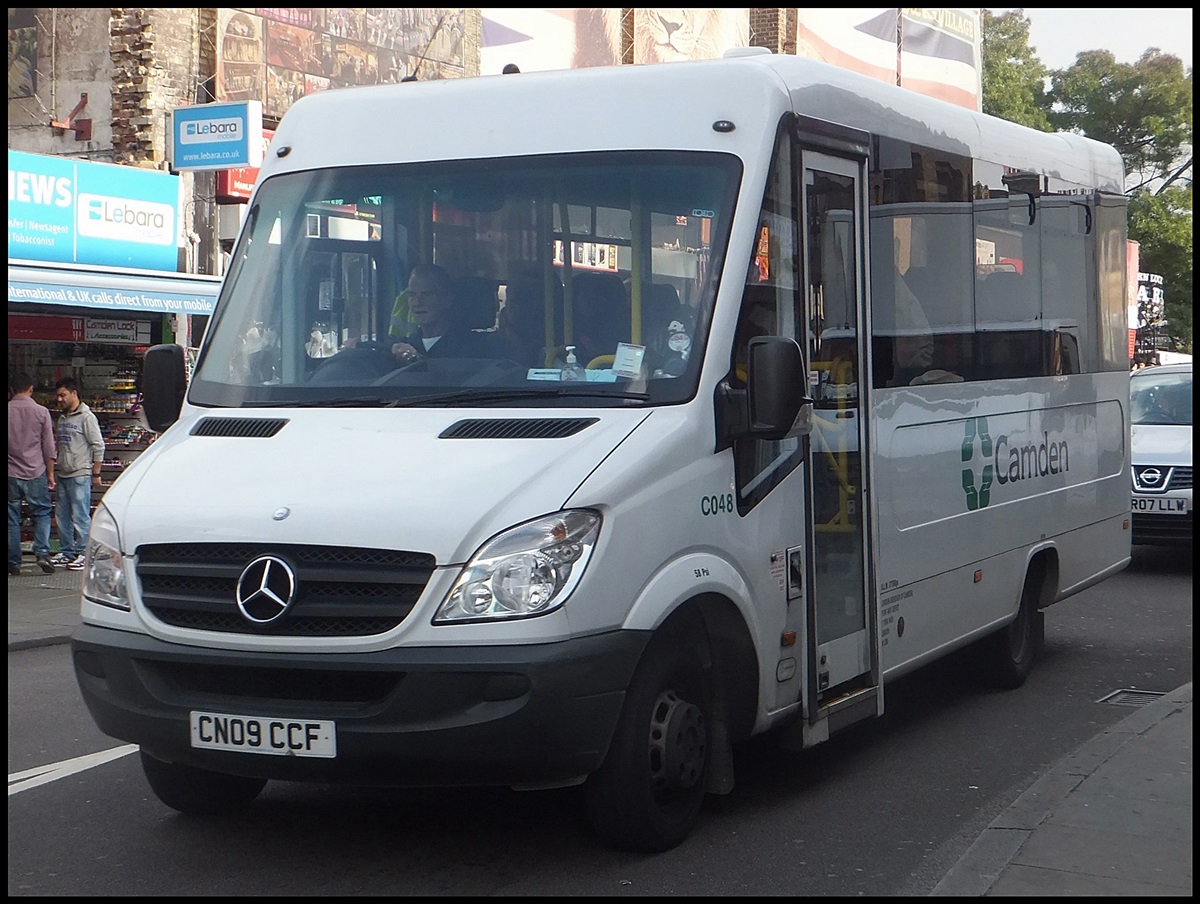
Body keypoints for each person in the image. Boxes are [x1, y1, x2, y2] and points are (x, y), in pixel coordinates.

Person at [389, 262, 509, 364]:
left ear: (448, 299)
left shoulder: (479, 349)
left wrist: (417, 361)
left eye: (427, 294)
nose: (417, 303)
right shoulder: (402, 350)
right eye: (412, 295)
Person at [50, 377, 105, 570]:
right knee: (62, 515)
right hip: (63, 473)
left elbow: (98, 445)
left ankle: (84, 552)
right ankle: (67, 551)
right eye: (58, 395)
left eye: (63, 395)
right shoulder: (63, 417)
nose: (59, 399)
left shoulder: (87, 417)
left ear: (74, 394)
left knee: (80, 515)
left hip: (80, 473)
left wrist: (96, 473)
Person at [8, 373, 57, 576]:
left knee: (11, 517)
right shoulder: (41, 412)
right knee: (42, 513)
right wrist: (51, 474)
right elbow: (49, 446)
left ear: (12, 390)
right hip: (35, 470)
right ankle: (43, 553)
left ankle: (13, 561)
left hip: (10, 472)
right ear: (30, 389)